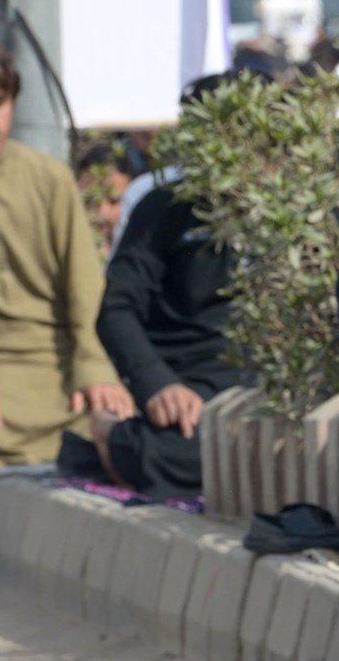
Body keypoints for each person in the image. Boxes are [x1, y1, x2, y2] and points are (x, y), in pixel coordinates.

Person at [0, 34, 133, 485]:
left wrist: (93, 368)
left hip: (58, 371)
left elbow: (84, 286)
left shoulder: (48, 179)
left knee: (125, 445)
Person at [73, 173, 247, 497]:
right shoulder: (165, 206)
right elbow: (117, 309)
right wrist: (158, 384)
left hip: (264, 384)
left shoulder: (315, 210)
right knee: (199, 455)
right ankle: (114, 436)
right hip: (191, 384)